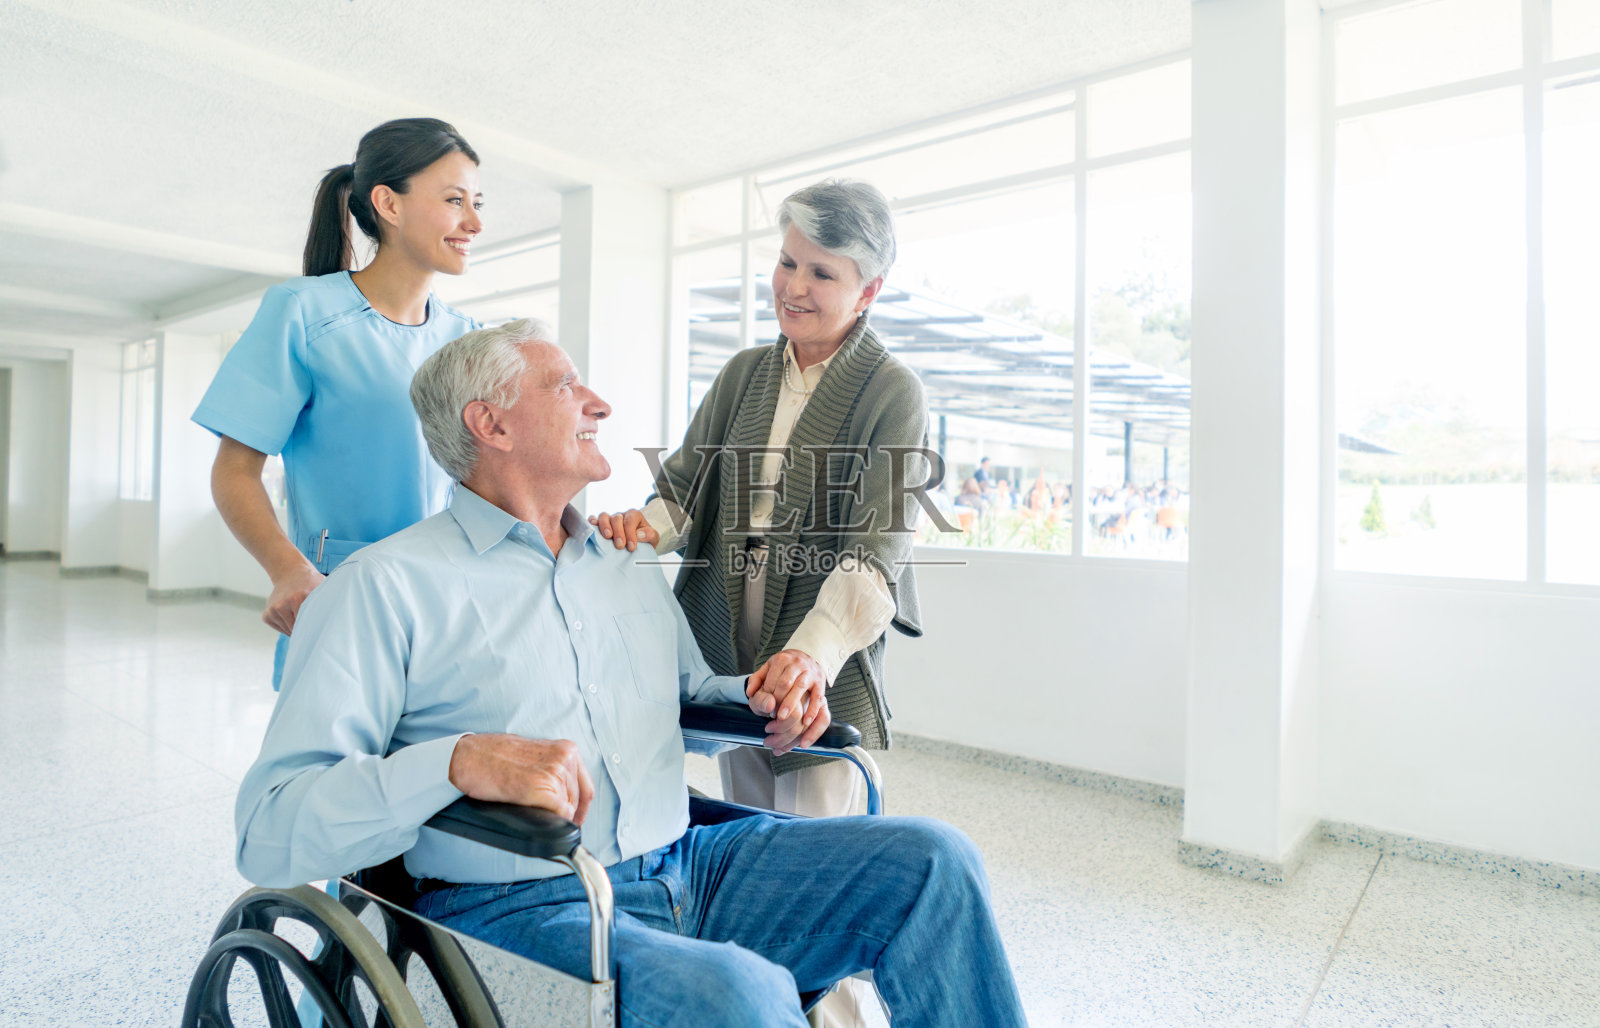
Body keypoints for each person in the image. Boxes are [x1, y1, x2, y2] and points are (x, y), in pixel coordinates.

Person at [233, 320, 1026, 1028]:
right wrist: (453, 761)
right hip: (522, 904)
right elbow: (271, 826)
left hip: (690, 865)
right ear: (490, 423)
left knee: (933, 859)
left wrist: (763, 701)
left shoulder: (620, 564)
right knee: (736, 992)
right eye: (565, 384)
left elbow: (684, 701)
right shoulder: (382, 587)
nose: (599, 402)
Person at [192, 117, 482, 689]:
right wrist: (287, 571)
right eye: (454, 200)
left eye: (476, 202)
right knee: (340, 773)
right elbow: (235, 470)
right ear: (388, 205)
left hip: (452, 603)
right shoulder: (302, 312)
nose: (474, 222)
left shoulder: (467, 337)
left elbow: (483, 481)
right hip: (340, 596)